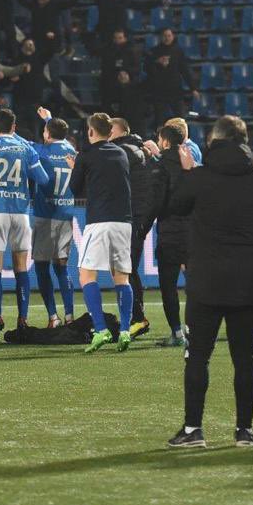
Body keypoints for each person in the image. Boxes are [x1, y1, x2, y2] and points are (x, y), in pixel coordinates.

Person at [165, 115, 253, 448]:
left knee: (197, 356)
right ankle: (244, 430)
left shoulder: (199, 178)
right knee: (246, 359)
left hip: (206, 280)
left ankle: (193, 429)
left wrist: (187, 172)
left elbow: (176, 205)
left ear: (214, 141)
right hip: (247, 280)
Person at [68, 112, 138, 353]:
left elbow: (74, 189)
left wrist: (76, 168)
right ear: (110, 133)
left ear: (90, 131)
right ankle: (125, 330)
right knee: (122, 278)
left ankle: (100, 329)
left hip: (99, 221)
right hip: (124, 222)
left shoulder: (86, 155)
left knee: (86, 275)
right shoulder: (122, 153)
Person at [0, 109, 49, 339]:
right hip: (21, 213)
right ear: (14, 127)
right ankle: (23, 319)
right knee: (21, 267)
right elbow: (43, 179)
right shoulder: (26, 148)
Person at [152, 123, 202, 347]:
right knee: (196, 284)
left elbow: (156, 201)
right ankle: (196, 330)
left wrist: (142, 227)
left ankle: (177, 333)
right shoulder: (193, 163)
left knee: (168, 286)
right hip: (192, 233)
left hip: (170, 233)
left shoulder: (161, 164)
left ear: (165, 141)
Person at [109, 117, 157, 339]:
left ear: (117, 131)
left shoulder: (122, 151)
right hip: (138, 216)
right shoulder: (138, 149)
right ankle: (135, 317)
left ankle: (137, 318)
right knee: (127, 267)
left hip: (131, 217)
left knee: (124, 268)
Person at [31, 107, 77, 328]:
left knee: (42, 267)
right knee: (62, 267)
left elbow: (22, 144)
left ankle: (53, 317)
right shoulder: (71, 150)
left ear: (47, 133)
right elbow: (60, 137)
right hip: (66, 215)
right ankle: (69, 316)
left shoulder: (41, 150)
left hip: (45, 215)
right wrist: (49, 119)